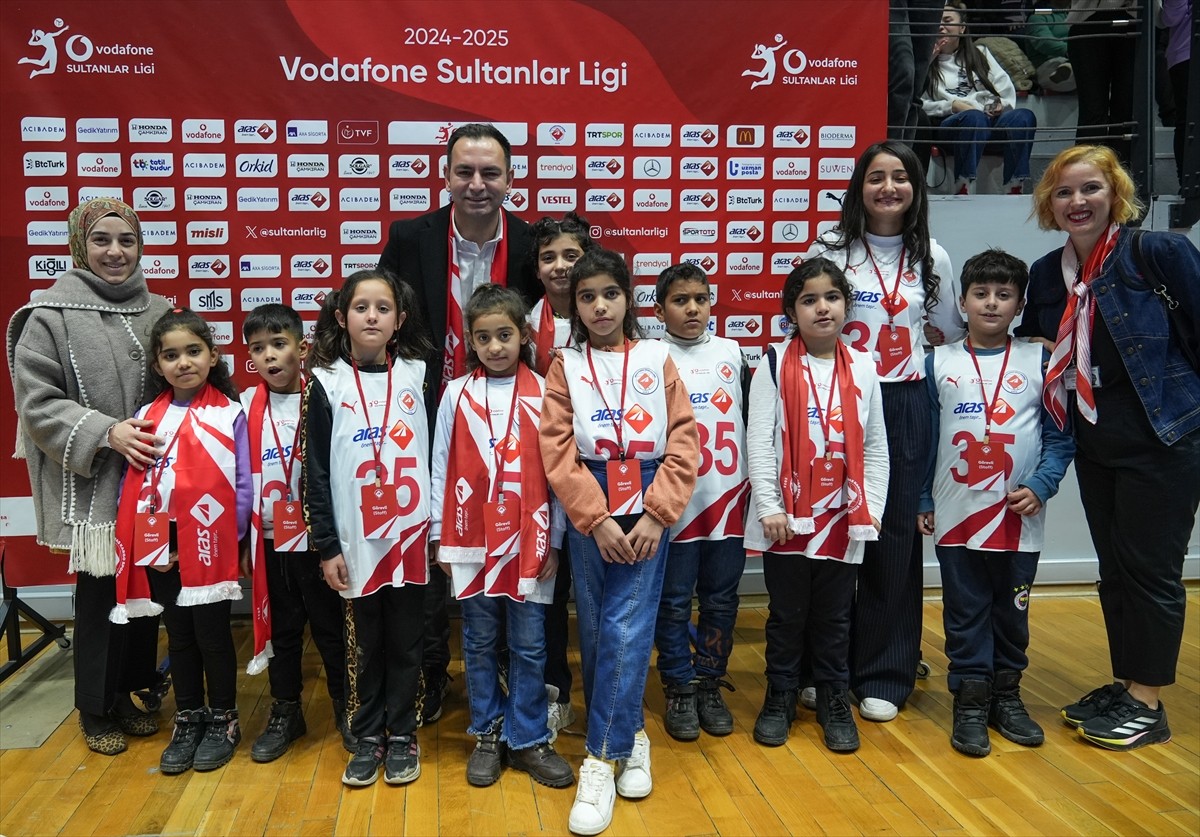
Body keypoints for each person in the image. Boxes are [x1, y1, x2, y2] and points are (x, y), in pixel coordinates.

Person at [1016, 145, 1200, 750]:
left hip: (1163, 438)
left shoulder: (1160, 253)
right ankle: (1126, 684)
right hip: (1095, 440)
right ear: (1050, 202)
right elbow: (1032, 342)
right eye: (1065, 192)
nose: (1078, 202)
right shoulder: (1047, 272)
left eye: (1090, 188)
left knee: (1151, 573)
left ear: (1115, 194)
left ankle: (1147, 703)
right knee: (1116, 572)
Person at [377, 123, 541, 722]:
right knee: (432, 542)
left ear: (510, 179)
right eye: (464, 172)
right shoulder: (408, 236)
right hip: (422, 414)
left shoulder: (530, 243)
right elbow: (385, 314)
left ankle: (520, 680)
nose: (477, 184)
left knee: (513, 536)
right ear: (445, 176)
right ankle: (430, 676)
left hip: (510, 411)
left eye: (490, 173)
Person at [804, 141, 964, 724]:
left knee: (894, 533)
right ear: (859, 187)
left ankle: (885, 671)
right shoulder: (830, 249)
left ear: (916, 189)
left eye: (900, 177)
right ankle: (823, 668)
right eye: (876, 177)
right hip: (836, 397)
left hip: (901, 402)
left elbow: (944, 331)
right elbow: (804, 318)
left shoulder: (934, 257)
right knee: (826, 528)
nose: (888, 188)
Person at [540, 248, 698, 836]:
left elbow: (684, 437)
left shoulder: (659, 357)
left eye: (610, 293)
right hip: (593, 493)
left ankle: (599, 761)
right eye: (586, 297)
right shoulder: (565, 364)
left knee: (628, 625)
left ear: (628, 298)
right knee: (601, 624)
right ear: (573, 305)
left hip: (650, 488)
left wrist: (657, 515)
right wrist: (596, 518)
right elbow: (556, 448)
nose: (599, 305)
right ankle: (631, 732)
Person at [7, 198, 170, 755]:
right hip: (96, 485)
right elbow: (37, 403)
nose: (115, 252)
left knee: (147, 595)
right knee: (102, 598)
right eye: (102, 240)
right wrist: (107, 432)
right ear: (80, 246)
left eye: (126, 240)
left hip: (154, 486)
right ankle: (96, 709)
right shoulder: (48, 315)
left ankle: (131, 692)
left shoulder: (160, 309)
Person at [918, 248, 1075, 757]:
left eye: (1004, 295)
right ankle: (969, 700)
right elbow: (924, 440)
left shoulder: (1040, 358)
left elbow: (1060, 437)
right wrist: (923, 496)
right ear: (961, 302)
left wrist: (1043, 484)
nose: (991, 304)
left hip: (1017, 517)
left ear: (1020, 303)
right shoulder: (937, 361)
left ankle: (1006, 697)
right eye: (980, 294)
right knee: (964, 612)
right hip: (957, 513)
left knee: (1012, 613)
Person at [430, 284, 574, 790]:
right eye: (484, 337)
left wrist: (555, 540)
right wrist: (437, 536)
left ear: (524, 335)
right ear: (470, 340)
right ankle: (489, 732)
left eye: (505, 336)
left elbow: (559, 473)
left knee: (532, 644)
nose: (495, 347)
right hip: (469, 538)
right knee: (480, 638)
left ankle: (530, 736)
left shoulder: (546, 391)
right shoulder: (455, 393)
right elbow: (440, 464)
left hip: (530, 538)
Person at [746, 258, 888, 754]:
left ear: (847, 305)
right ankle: (781, 693)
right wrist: (768, 506)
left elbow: (874, 446)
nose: (822, 307)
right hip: (787, 517)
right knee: (787, 615)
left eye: (831, 297)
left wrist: (872, 511)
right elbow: (759, 442)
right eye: (809, 299)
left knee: (834, 616)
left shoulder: (865, 366)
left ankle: (832, 695)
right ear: (792, 311)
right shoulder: (772, 363)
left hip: (842, 518)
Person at [305, 270, 434, 785]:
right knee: (364, 642)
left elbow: (436, 455)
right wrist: (327, 545)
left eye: (384, 308)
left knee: (407, 640)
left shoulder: (419, 375)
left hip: (409, 537)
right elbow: (313, 470)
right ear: (342, 318)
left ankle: (402, 732)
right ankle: (366, 731)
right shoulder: (325, 381)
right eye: (362, 308)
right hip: (356, 542)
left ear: (399, 320)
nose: (373, 316)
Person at [111, 307, 251, 774]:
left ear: (213, 356)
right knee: (180, 637)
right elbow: (133, 488)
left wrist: (236, 541)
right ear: (157, 365)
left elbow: (243, 485)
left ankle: (224, 719)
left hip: (210, 543)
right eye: (171, 355)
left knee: (213, 636)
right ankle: (189, 716)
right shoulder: (145, 416)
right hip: (161, 545)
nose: (183, 362)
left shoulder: (231, 412)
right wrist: (153, 547)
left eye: (193, 351)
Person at [239, 303, 351, 762]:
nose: (270, 357)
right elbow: (234, 478)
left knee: (329, 629)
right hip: (270, 540)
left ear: (302, 348)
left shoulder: (324, 395)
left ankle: (348, 705)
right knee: (280, 631)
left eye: (279, 345)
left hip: (317, 540)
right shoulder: (244, 406)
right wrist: (244, 543)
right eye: (258, 349)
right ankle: (287, 710)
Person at [651, 263, 749, 742]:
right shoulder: (650, 357)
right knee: (671, 603)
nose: (692, 308)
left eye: (701, 299)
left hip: (727, 501)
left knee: (721, 600)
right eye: (680, 300)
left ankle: (709, 680)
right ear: (659, 309)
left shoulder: (734, 353)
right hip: (674, 507)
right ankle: (678, 685)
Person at [528, 211, 596, 736]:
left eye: (570, 255)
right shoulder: (521, 323)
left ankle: (602, 691)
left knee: (593, 591)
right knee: (547, 588)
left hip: (592, 474)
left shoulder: (601, 317)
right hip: (533, 471)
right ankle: (554, 691)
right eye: (548, 256)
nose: (559, 266)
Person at [922, 2, 1038, 195]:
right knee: (973, 118)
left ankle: (1015, 185)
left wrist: (999, 105)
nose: (941, 25)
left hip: (988, 120)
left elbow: (1005, 91)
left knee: (1024, 116)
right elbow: (918, 104)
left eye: (947, 20)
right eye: (937, 21)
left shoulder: (980, 53)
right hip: (952, 125)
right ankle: (963, 184)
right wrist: (954, 105)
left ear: (962, 27)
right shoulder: (925, 60)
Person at [1067, 0, 1138, 164]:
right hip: (1087, 18)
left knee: (1126, 113)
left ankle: (1121, 182)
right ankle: (1086, 177)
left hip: (1134, 19)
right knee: (1093, 113)